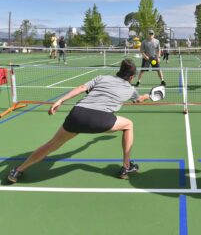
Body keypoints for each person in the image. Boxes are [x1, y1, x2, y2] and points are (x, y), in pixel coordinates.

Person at [7, 59, 150, 183]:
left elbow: (82, 88)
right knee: (128, 124)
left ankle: (18, 171)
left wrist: (60, 100)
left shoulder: (102, 78)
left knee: (51, 144)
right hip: (101, 120)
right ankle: (126, 167)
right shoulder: (131, 89)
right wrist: (148, 96)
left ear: (119, 71)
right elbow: (138, 100)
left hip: (78, 115)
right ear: (131, 77)